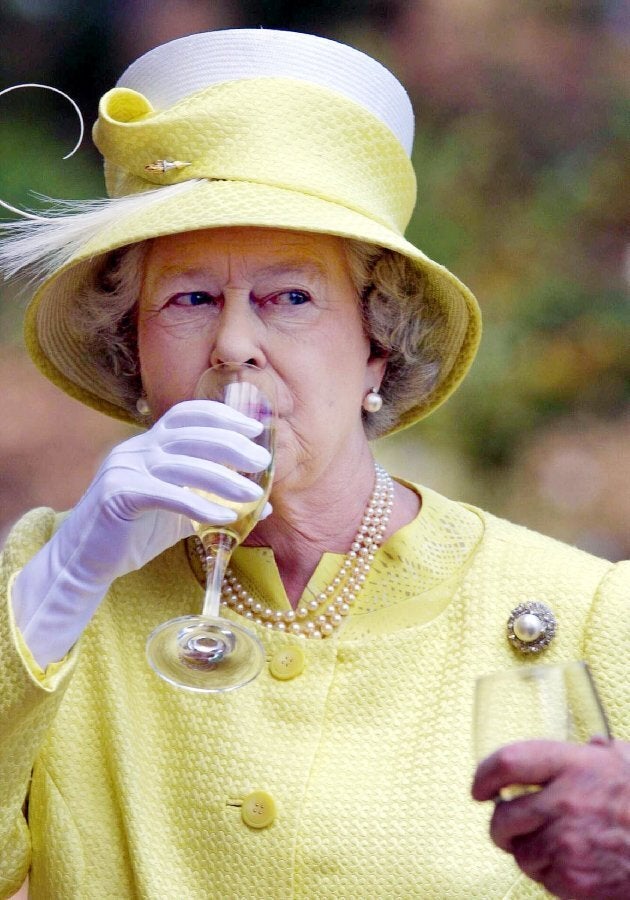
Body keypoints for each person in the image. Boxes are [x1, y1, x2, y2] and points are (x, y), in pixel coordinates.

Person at [0, 29, 628, 900]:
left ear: (378, 344)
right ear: (132, 350)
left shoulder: (587, 612)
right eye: (189, 300)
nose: (233, 345)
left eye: (288, 297)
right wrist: (64, 582)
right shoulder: (49, 583)